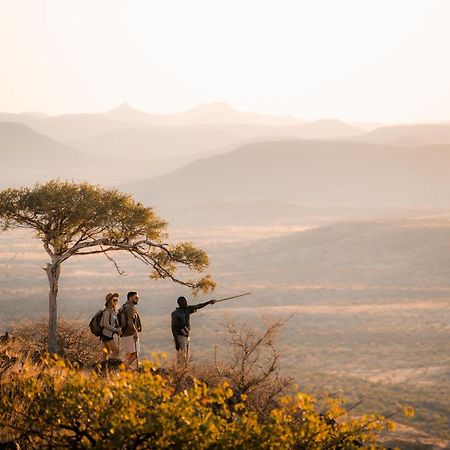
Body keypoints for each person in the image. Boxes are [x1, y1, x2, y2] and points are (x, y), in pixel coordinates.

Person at [171, 296, 216, 364]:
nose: (186, 303)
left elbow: (198, 306)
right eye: (184, 301)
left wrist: (208, 302)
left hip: (186, 335)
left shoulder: (187, 310)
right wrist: (177, 341)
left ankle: (183, 370)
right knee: (181, 355)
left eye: (186, 301)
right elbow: (173, 327)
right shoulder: (175, 313)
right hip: (180, 336)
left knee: (185, 355)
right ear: (180, 303)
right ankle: (180, 370)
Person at [120, 291, 142, 369]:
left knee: (129, 354)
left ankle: (123, 368)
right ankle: (123, 368)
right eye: (135, 298)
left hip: (125, 334)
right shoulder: (130, 307)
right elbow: (130, 322)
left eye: (138, 298)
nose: (137, 299)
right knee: (135, 353)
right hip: (129, 334)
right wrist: (135, 333)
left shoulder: (125, 306)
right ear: (130, 298)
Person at [101, 292, 121, 362]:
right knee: (116, 351)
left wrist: (117, 330)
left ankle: (102, 369)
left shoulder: (112, 311)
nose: (116, 301)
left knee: (105, 353)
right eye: (114, 300)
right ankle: (109, 365)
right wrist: (116, 330)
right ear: (109, 301)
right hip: (106, 335)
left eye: (116, 300)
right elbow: (105, 324)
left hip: (107, 334)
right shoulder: (107, 311)